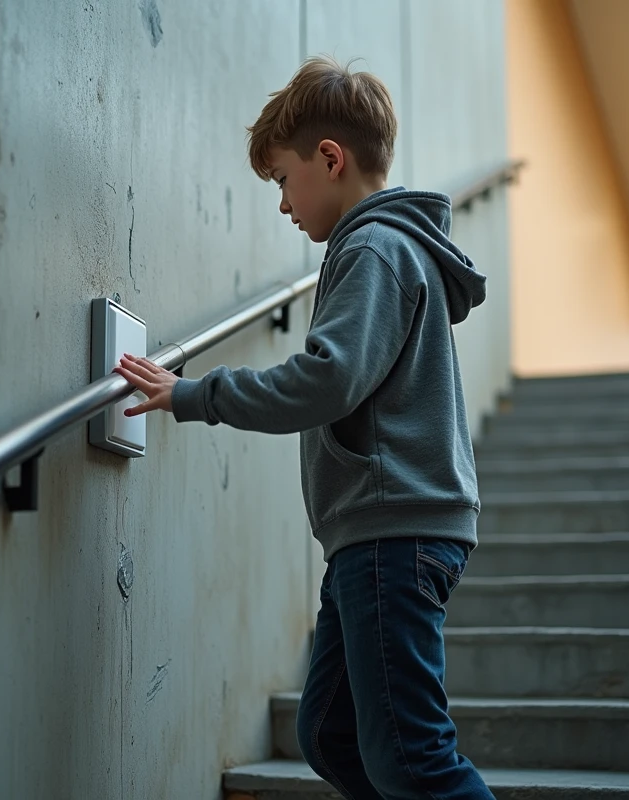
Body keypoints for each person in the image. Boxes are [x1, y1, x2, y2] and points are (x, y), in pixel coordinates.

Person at [113, 55, 493, 800]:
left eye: (284, 180)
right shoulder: (381, 249)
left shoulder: (375, 249)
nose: (283, 205)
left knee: (411, 758)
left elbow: (327, 378)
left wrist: (196, 395)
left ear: (330, 158)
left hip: (394, 529)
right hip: (375, 532)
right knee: (328, 732)